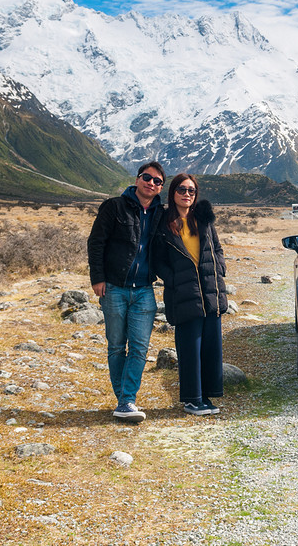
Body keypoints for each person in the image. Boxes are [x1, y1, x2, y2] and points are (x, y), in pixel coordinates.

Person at [87, 161, 166, 423]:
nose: (151, 183)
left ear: (160, 187)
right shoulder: (114, 206)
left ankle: (126, 400)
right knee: (117, 346)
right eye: (147, 177)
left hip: (144, 289)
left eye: (157, 181)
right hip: (114, 288)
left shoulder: (160, 213)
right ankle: (124, 401)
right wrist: (98, 278)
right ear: (137, 178)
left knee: (140, 347)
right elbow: (96, 242)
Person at [150, 174, 227, 416]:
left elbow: (217, 248)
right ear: (172, 193)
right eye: (182, 189)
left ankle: (206, 396)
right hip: (183, 293)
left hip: (210, 290)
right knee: (190, 349)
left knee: (210, 348)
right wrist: (172, 279)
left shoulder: (203, 219)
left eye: (192, 191)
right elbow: (156, 260)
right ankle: (192, 400)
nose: (187, 194)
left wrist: (220, 268)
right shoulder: (163, 223)